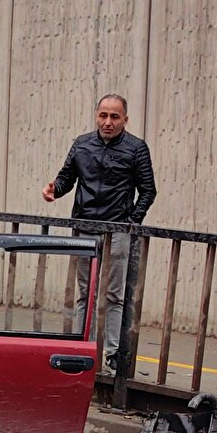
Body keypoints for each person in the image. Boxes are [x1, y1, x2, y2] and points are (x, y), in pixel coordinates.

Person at [42, 94, 157, 370]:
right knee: (86, 291)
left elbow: (148, 190)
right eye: (103, 115)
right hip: (85, 226)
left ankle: (114, 352)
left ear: (125, 120)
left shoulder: (136, 149)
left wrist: (130, 221)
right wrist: (54, 189)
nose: (107, 122)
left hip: (117, 230)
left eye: (114, 117)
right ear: (96, 115)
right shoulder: (82, 144)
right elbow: (66, 178)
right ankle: (85, 346)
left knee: (115, 293)